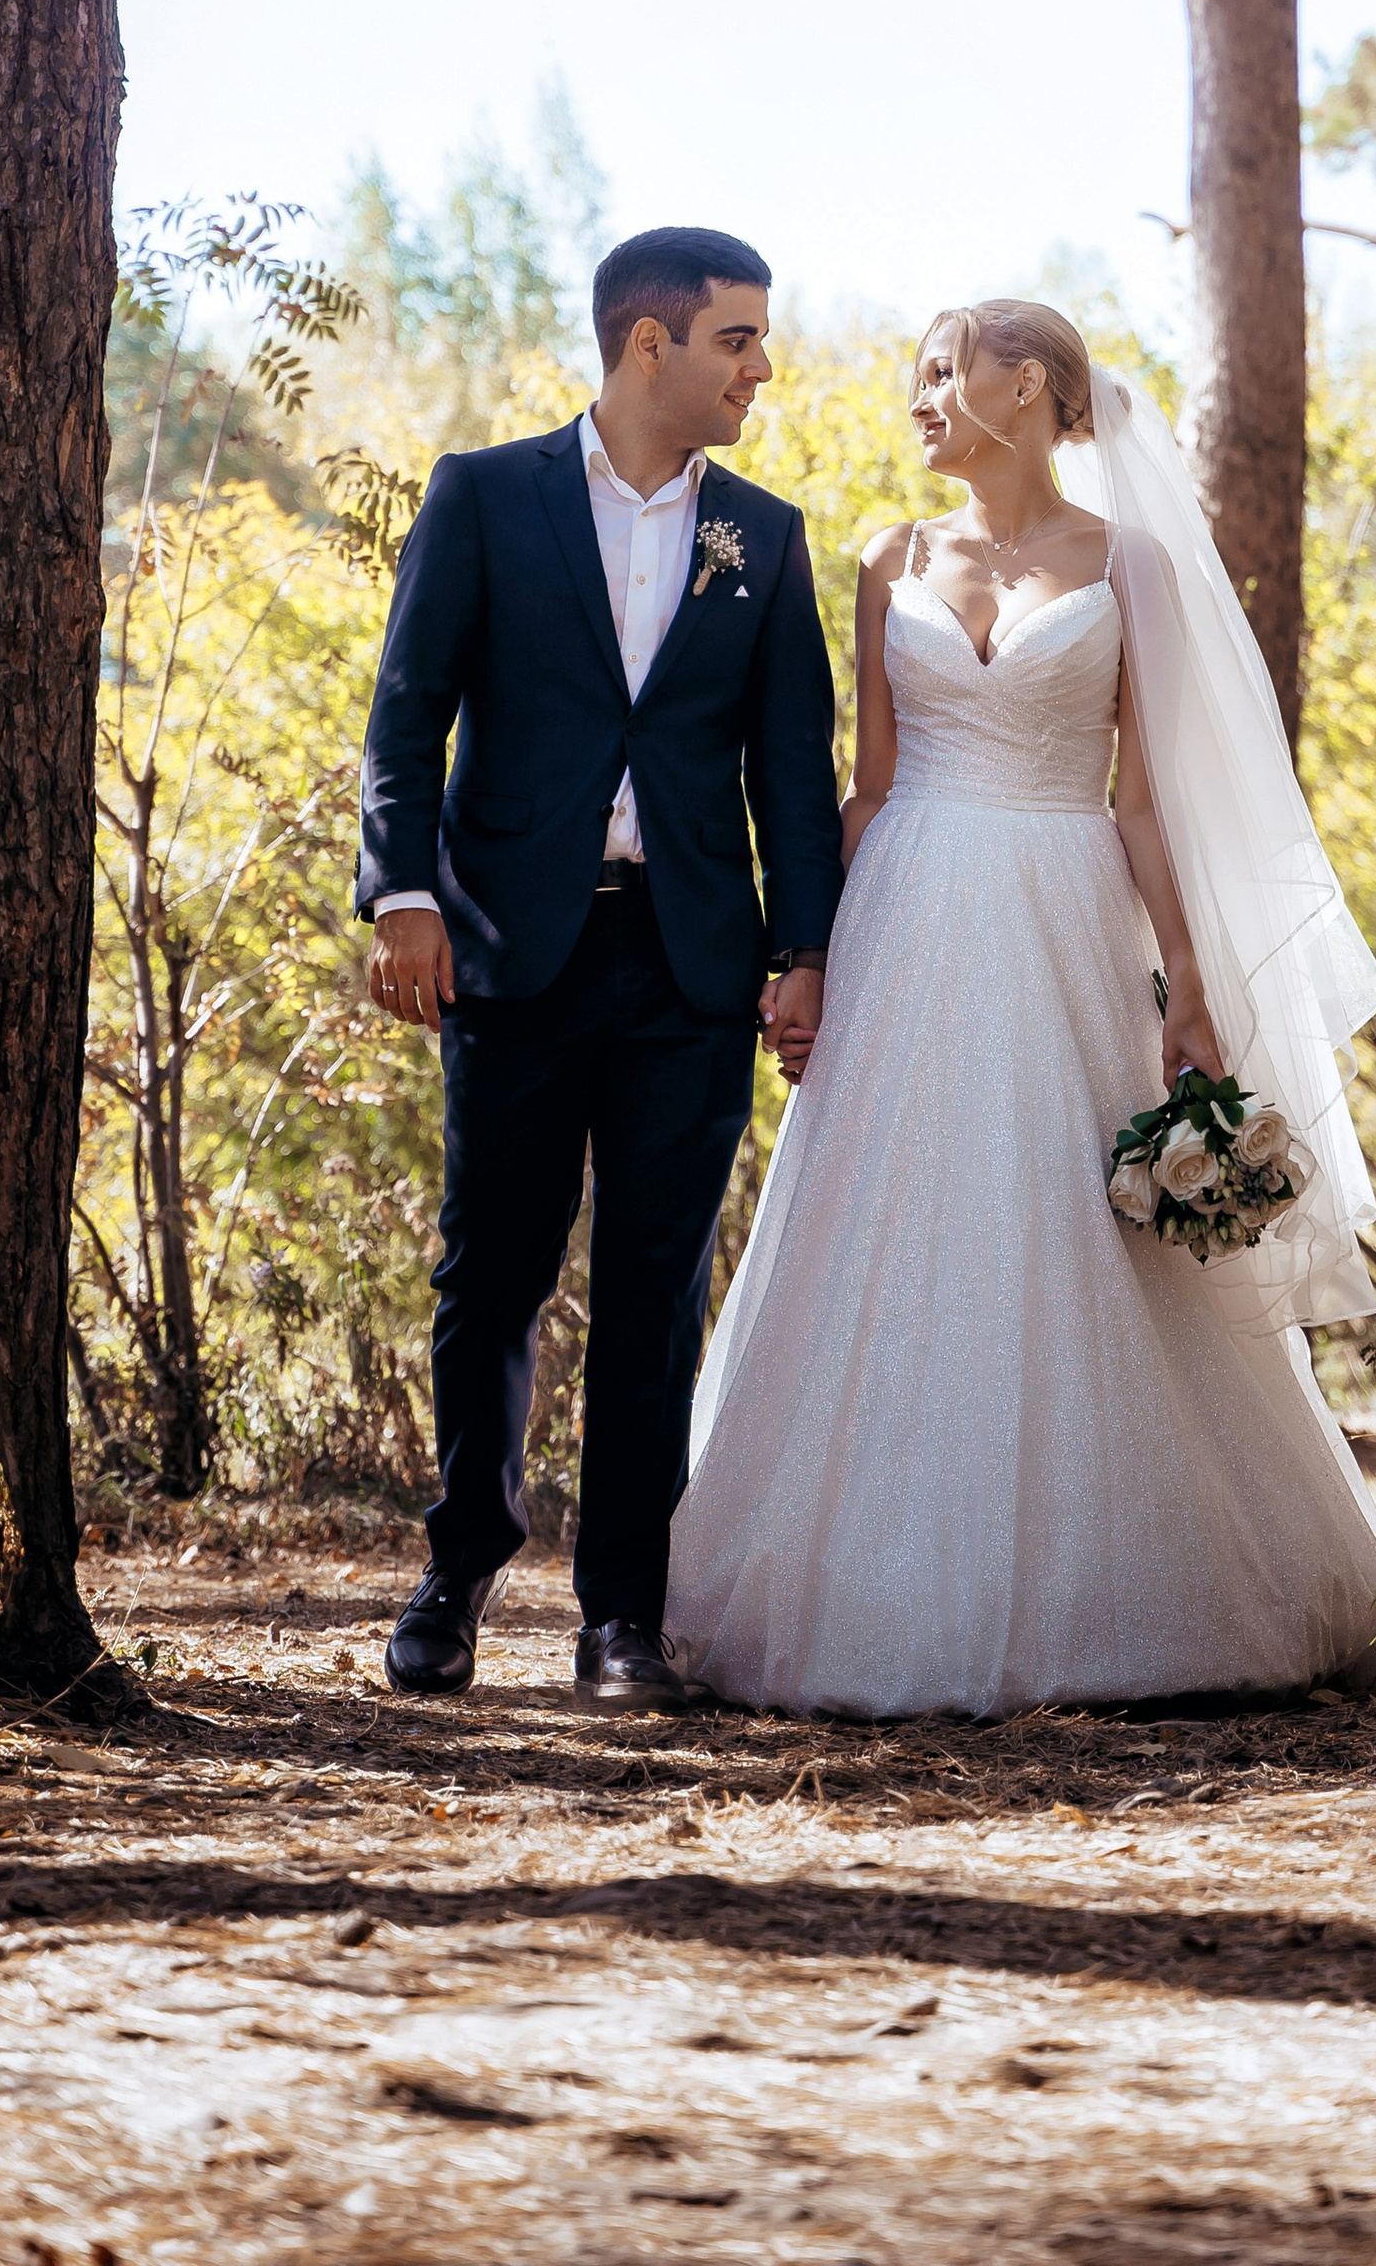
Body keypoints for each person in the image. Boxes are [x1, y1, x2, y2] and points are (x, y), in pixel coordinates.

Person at [663, 299, 1376, 1720]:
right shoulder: (889, 559)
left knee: (1069, 1217)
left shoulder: (1123, 564)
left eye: (946, 372)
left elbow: (1143, 800)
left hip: (1071, 906)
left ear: (1031, 385)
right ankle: (872, 1588)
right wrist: (808, 956)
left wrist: (1190, 985)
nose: (922, 397)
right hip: (907, 907)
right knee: (896, 1224)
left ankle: (1136, 1589)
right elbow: (869, 784)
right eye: (921, 374)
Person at [356, 225, 843, 1710]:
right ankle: (456, 1579)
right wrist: (402, 895)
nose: (762, 366)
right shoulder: (485, 497)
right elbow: (404, 716)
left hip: (689, 966)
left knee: (656, 1293)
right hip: (509, 953)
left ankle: (620, 1616)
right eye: (739, 340)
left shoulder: (764, 535)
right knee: (486, 1277)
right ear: (653, 345)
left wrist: (804, 949)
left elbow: (790, 772)